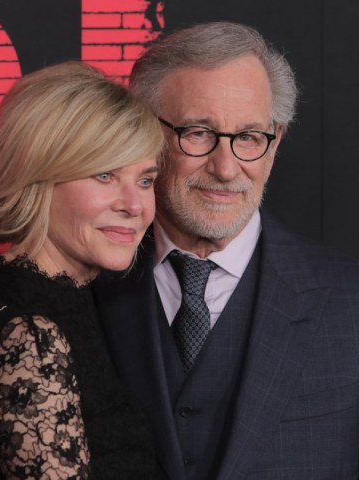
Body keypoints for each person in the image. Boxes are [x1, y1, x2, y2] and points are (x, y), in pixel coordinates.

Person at [93, 21, 359, 480]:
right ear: (143, 134)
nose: (226, 166)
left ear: (273, 143)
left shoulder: (350, 300)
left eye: (250, 138)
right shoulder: (79, 287)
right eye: (198, 132)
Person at [0, 61, 164, 479]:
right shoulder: (29, 335)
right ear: (36, 176)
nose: (135, 206)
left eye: (146, 180)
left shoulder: (79, 301)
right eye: (104, 175)